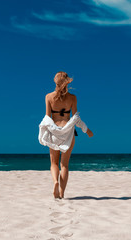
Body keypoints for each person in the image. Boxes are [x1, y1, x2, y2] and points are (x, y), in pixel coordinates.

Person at [39, 71, 93, 199]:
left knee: (53, 163)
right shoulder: (72, 98)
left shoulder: (48, 97)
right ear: (67, 82)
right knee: (65, 165)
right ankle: (62, 193)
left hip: (54, 132)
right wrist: (87, 130)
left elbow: (48, 118)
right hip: (68, 133)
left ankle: (55, 182)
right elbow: (75, 119)